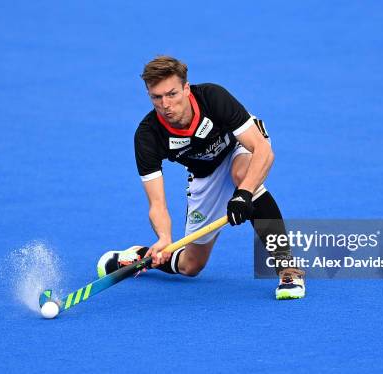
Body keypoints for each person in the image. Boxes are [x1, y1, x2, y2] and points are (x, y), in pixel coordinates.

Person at [97, 56, 304, 299]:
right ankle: (139, 256)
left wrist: (243, 194)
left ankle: (287, 268)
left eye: (172, 94)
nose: (165, 104)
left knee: (243, 175)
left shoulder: (212, 97)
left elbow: (263, 150)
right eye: (156, 97)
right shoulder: (147, 136)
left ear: (186, 89)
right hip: (205, 173)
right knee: (190, 265)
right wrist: (164, 238)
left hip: (240, 146)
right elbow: (157, 204)